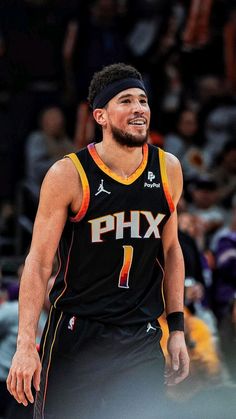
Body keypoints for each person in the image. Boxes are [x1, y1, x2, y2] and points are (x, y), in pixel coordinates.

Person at [7, 63, 189, 419]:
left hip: (141, 334)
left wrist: (178, 327)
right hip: (78, 331)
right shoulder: (68, 174)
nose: (139, 108)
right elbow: (39, 261)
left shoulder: (168, 169)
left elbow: (170, 250)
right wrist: (26, 342)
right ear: (101, 115)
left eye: (143, 100)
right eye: (126, 100)